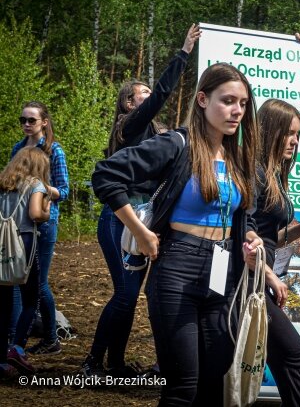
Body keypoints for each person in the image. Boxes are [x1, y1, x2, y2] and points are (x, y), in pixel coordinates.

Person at [92, 63, 262, 405]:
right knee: (183, 387)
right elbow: (106, 175)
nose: (237, 111)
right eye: (228, 100)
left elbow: (244, 213)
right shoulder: (177, 143)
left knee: (215, 380)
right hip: (176, 269)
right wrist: (139, 231)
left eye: (242, 103)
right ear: (202, 99)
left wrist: (252, 238)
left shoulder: (237, 156)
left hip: (221, 270)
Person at [82, 24, 201, 379]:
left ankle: (115, 365)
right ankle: (92, 363)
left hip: (145, 218)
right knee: (124, 294)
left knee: (130, 296)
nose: (149, 97)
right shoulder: (130, 126)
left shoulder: (156, 135)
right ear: (129, 103)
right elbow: (162, 95)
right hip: (118, 218)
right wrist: (183, 55)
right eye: (142, 94)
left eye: (148, 93)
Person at [249, 98, 300, 407]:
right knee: (293, 355)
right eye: (289, 133)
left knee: (286, 358)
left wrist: (295, 229)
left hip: (258, 278)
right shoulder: (254, 172)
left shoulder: (275, 173)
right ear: (269, 131)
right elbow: (243, 233)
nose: (294, 141)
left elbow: (267, 237)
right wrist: (266, 274)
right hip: (246, 280)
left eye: (298, 133)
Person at [10, 101, 69, 356]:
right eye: (22, 120)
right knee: (14, 281)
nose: (26, 124)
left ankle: (50, 337)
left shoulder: (54, 150)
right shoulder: (17, 148)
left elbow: (63, 191)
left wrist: (39, 187)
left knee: (39, 284)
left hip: (44, 222)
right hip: (17, 223)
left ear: (44, 122)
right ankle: (14, 338)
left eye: (31, 120)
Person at [0, 148, 51, 377]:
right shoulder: (36, 185)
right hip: (25, 243)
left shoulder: (4, 183)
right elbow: (35, 214)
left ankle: (2, 359)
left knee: (4, 303)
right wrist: (47, 211)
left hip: (2, 245)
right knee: (31, 299)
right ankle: (18, 348)